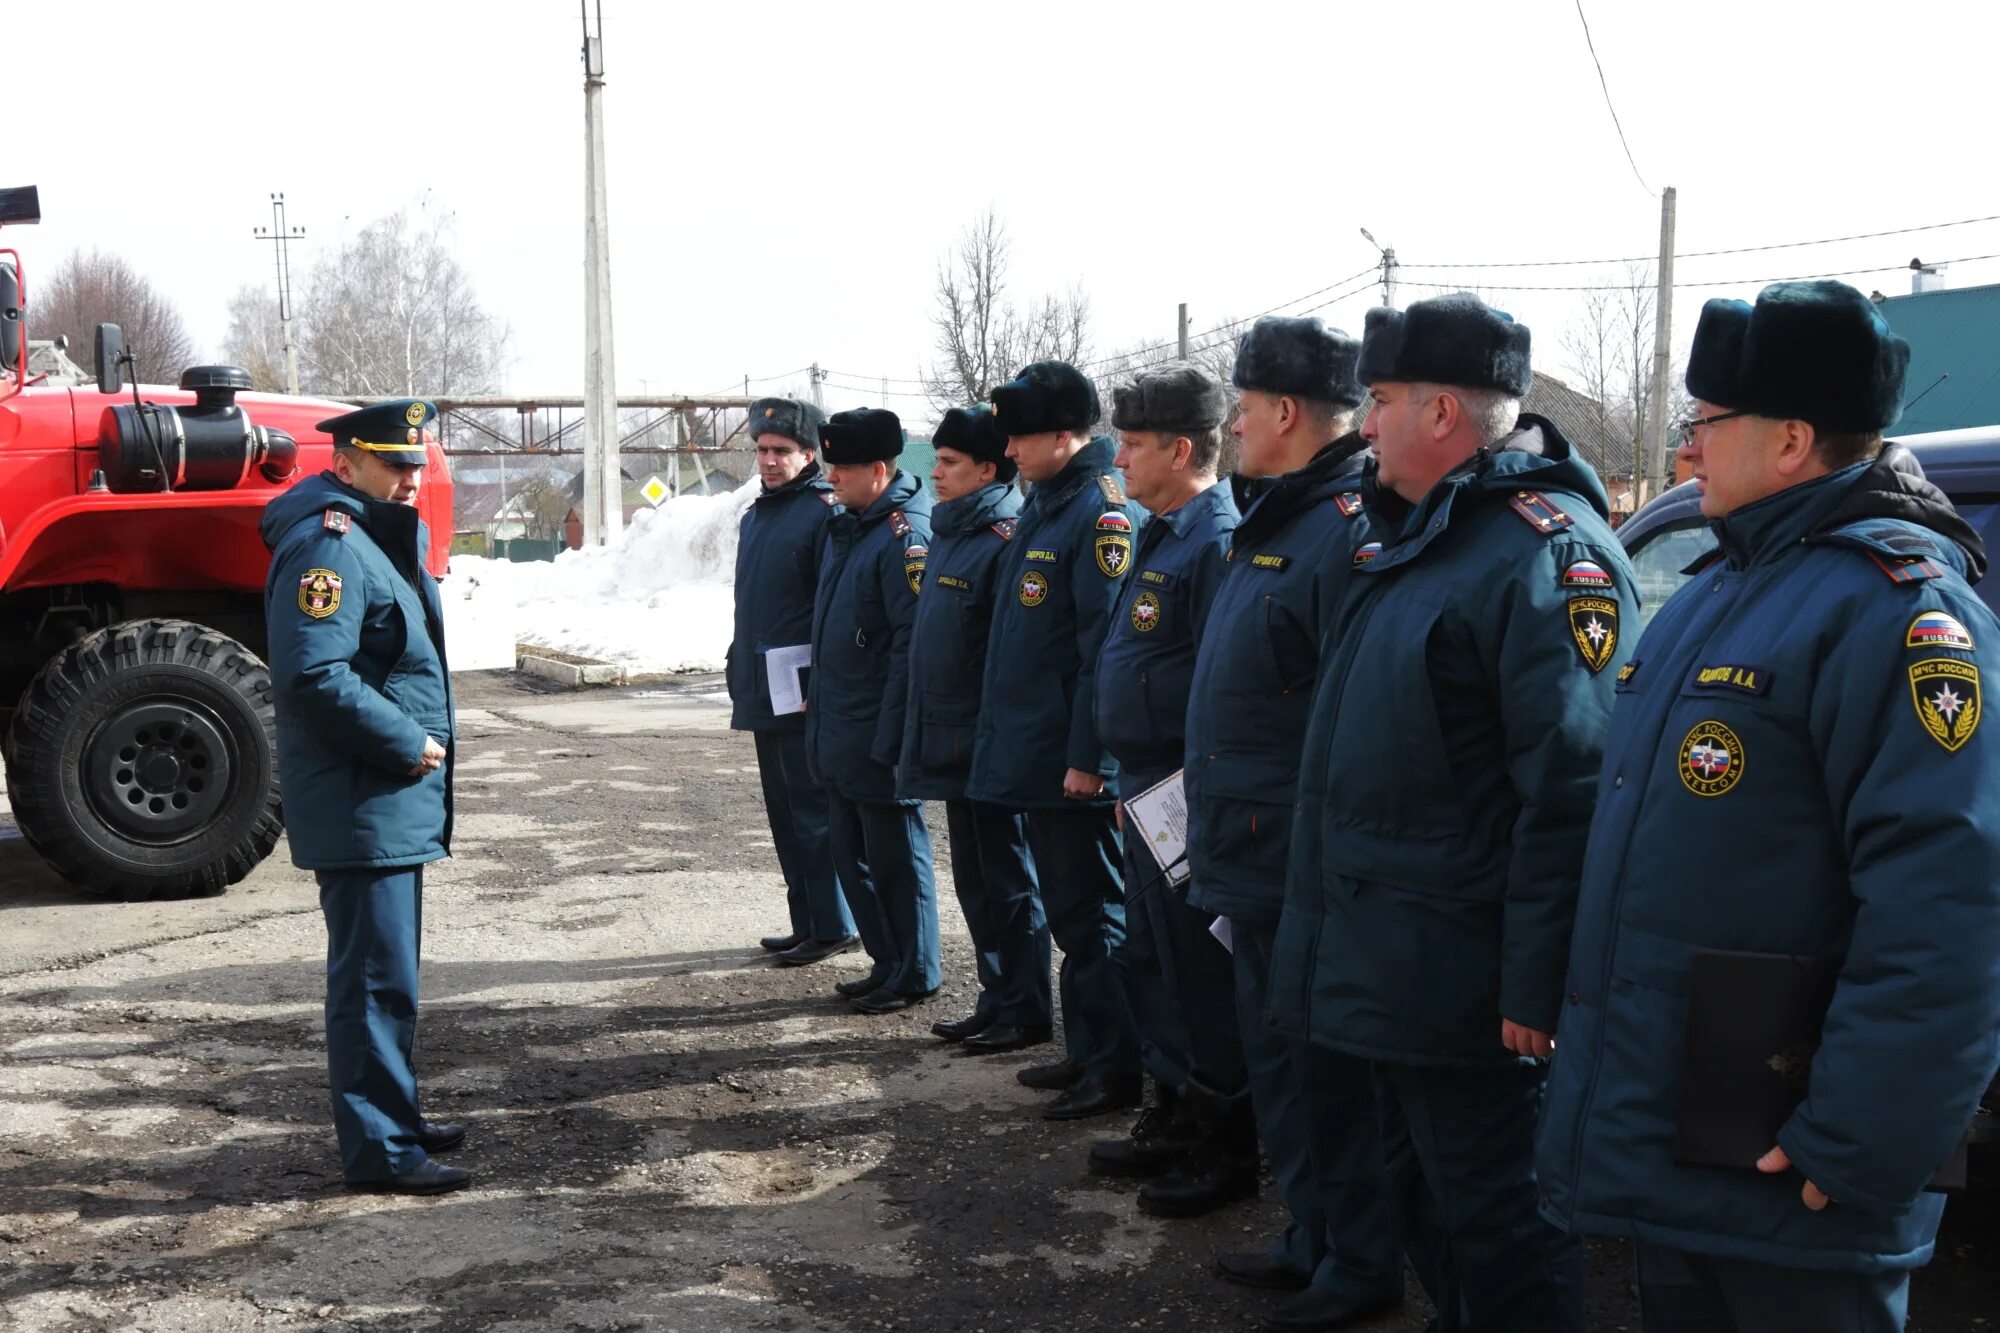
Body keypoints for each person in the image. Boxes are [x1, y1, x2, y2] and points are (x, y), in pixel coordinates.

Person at [1537, 280, 2000, 1333]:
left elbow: (1952, 913)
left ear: (1789, 440)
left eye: (1702, 424)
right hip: (1697, 1143)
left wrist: (1859, 1141)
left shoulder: (1896, 613)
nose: (1685, 450)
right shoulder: (1719, 587)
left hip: (1798, 1161)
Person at [1269, 294, 1638, 1331]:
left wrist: (1534, 986)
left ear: (1440, 414)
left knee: (1502, 1226)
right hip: (1389, 962)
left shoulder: (1542, 555)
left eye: (1378, 401)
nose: (1363, 423)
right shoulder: (1417, 538)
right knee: (1426, 1203)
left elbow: (1570, 787)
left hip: (1469, 990)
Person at [1181, 317, 1418, 1325]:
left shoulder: (1341, 529)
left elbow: (1347, 712)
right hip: (1249, 850)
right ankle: (1312, 1234)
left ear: (1283, 413)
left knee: (1325, 1078)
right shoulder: (1277, 517)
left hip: (1297, 858)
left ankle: (1356, 1263)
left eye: (1238, 410)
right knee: (1279, 1065)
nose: (1228, 428)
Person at [260, 399, 466, 1196]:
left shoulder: (372, 534)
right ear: (344, 463)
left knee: (390, 976)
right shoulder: (332, 544)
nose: (411, 480)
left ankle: (397, 1117)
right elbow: (314, 675)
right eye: (393, 464)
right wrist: (406, 741)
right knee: (373, 983)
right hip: (366, 796)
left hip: (384, 800)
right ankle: (381, 1150)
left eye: (416, 465)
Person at [1085, 362, 1248, 1216]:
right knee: (1152, 960)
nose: (1119, 455)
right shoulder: (1162, 531)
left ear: (1182, 449)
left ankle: (1223, 1144)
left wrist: (1178, 789)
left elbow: (1223, 690)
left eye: (1134, 443)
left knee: (1198, 974)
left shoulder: (1216, 540)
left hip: (1189, 796)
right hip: (1147, 789)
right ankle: (1177, 1113)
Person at [967, 360, 1143, 1119]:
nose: (1007, 450)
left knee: (1097, 916)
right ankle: (1086, 1050)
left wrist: (1089, 760)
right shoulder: (1048, 504)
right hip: (1039, 756)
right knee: (1072, 915)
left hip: (1072, 766)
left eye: (1020, 435)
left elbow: (1101, 651)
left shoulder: (1100, 514)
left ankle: (1117, 1066)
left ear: (1065, 435)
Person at [898, 405, 1052, 1054]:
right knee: (975, 879)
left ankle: (1027, 1007)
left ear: (989, 469)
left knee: (1011, 882)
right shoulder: (953, 533)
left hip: (991, 744)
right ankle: (996, 996)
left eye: (951, 463)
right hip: (953, 740)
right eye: (936, 460)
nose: (936, 473)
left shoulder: (1003, 537)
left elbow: (1010, 652)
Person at [807, 407, 941, 1013]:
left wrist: (892, 737)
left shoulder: (905, 537)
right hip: (840, 723)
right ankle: (887, 961)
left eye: (844, 467)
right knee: (852, 853)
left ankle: (915, 970)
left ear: (880, 471)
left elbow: (911, 649)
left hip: (875, 732)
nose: (831, 476)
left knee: (894, 859)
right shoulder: (854, 526)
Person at [728, 398, 857, 966]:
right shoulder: (757, 516)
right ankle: (805, 919)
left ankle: (832, 924)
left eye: (782, 450)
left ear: (810, 454)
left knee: (812, 810)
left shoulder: (823, 513)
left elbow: (830, 606)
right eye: (762, 450)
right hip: (762, 682)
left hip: (802, 687)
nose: (770, 460)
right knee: (783, 812)